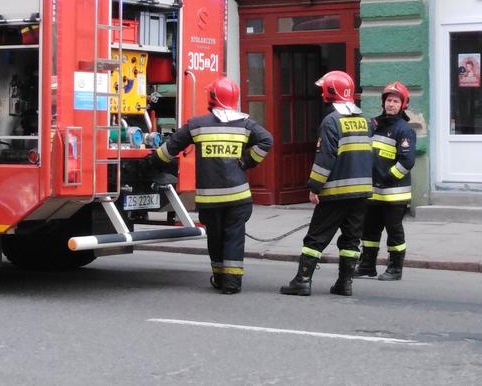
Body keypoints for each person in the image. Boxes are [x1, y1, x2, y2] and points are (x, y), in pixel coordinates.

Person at [147, 77, 272, 294]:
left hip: (210, 200)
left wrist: (150, 164)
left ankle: (219, 277)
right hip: (238, 197)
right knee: (234, 237)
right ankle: (232, 284)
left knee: (215, 238)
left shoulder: (197, 125)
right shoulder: (245, 125)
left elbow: (170, 149)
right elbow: (267, 140)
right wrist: (247, 161)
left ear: (212, 97)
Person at [280, 70, 373, 297]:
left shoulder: (331, 121)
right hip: (361, 193)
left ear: (330, 92)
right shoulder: (364, 120)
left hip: (336, 193)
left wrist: (314, 187)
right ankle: (345, 283)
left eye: (324, 89)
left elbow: (325, 158)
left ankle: (302, 280)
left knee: (316, 237)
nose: (321, 93)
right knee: (351, 238)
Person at [355, 81, 415, 281]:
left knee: (394, 231)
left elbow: (407, 161)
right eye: (388, 100)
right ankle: (367, 265)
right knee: (369, 229)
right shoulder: (374, 125)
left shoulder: (404, 130)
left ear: (402, 104)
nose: (391, 104)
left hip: (394, 192)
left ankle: (395, 268)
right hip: (373, 190)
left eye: (395, 101)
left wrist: (388, 178)